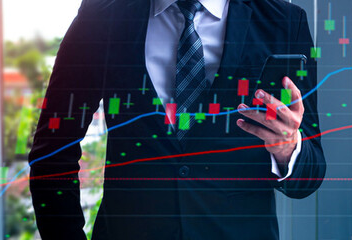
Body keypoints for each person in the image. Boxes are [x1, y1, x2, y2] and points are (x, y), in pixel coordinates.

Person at [27, 0, 326, 239]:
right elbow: (52, 154)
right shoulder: (102, 16)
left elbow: (310, 175)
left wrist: (289, 149)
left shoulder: (284, 22)